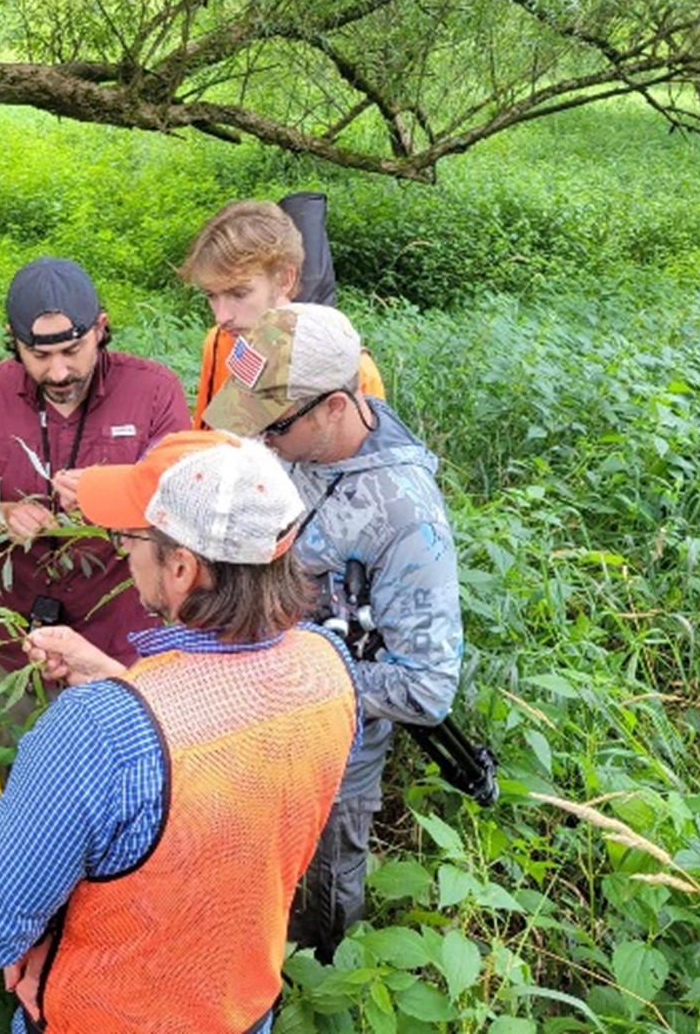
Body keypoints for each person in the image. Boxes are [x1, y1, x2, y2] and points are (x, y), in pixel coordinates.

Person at [0, 430, 358, 1033]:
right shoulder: (329, 668)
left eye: (131, 537)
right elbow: (220, 793)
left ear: (181, 567)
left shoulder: (99, 731)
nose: (121, 550)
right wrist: (121, 680)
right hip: (242, 1010)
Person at [202, 303, 464, 961]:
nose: (260, 441)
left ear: (336, 406)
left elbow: (426, 686)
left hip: (329, 759)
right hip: (246, 728)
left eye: (275, 426)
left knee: (318, 912)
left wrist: (302, 671)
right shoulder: (290, 445)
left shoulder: (403, 512)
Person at [0, 257, 190, 673]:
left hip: (122, 642)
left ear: (100, 328)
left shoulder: (154, 391)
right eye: (39, 355)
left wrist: (112, 495)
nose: (58, 372)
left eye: (73, 350)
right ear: (13, 341)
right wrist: (2, 514)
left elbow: (184, 504)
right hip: (18, 643)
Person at [178, 199, 386, 429]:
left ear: (284, 279)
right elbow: (210, 439)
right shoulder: (220, 340)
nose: (222, 316)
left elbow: (370, 456)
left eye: (239, 294)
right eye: (211, 295)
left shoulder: (352, 368)